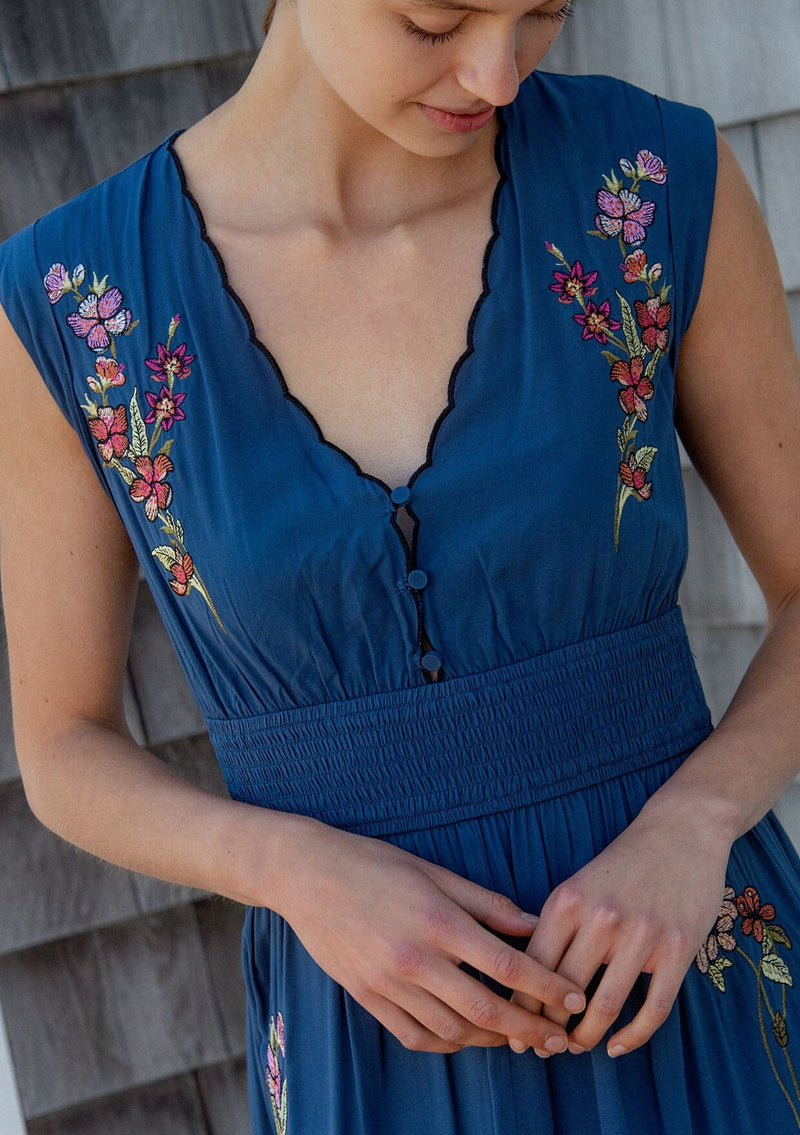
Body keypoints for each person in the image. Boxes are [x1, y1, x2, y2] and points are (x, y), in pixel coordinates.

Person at [1, 0, 799, 1130]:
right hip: (372, 1049)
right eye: (433, 21)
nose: (495, 71)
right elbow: (64, 747)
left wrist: (694, 822)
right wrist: (286, 867)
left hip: (690, 976)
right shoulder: (72, 304)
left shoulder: (653, 182)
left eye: (541, 15)